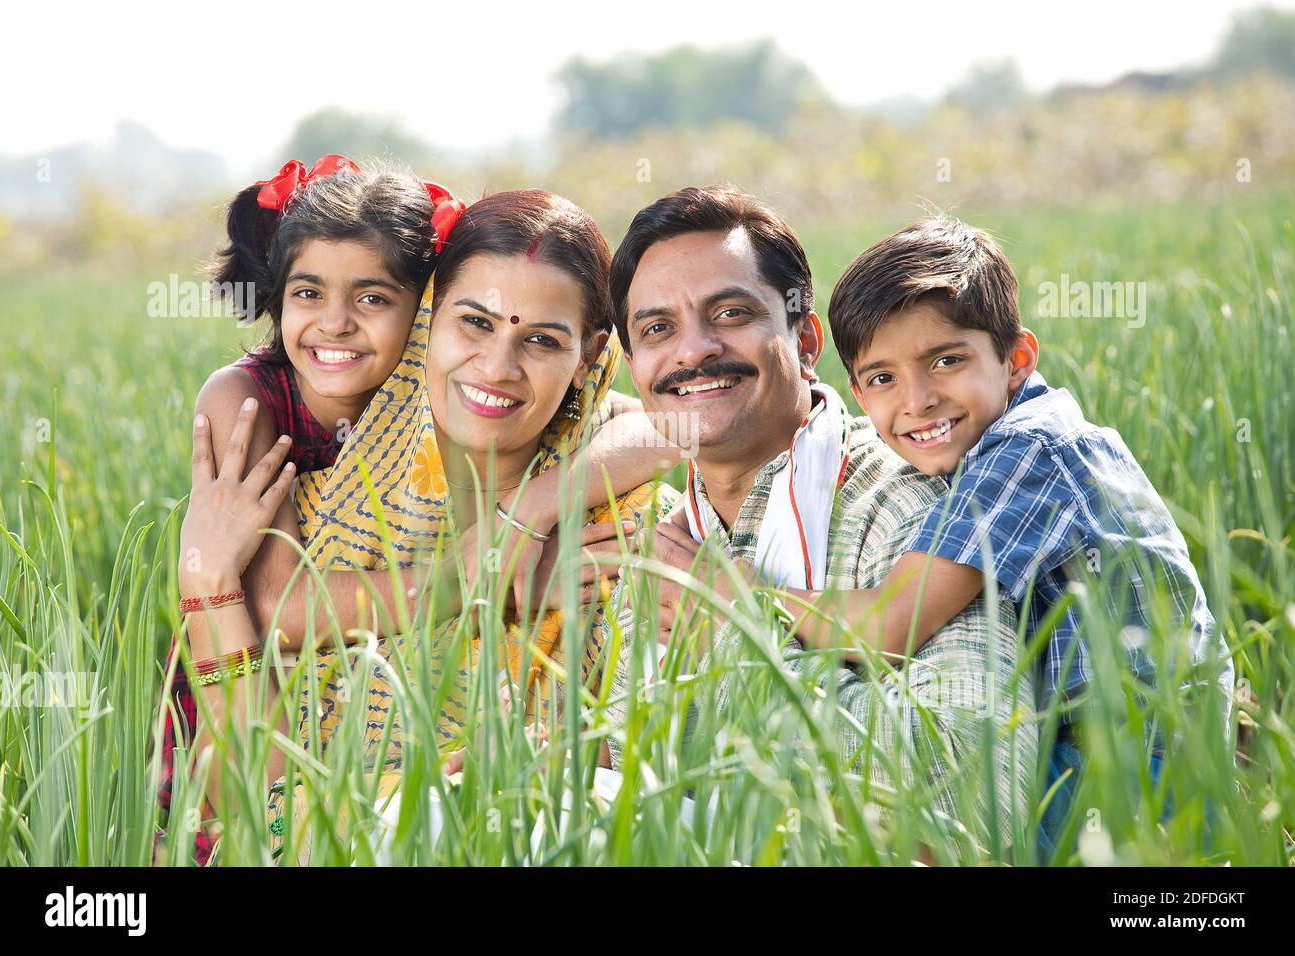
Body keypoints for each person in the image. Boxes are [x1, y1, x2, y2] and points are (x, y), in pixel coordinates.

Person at [162, 176, 679, 864]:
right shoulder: (281, 482)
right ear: (431, 324)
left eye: (543, 341)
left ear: (590, 357)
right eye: (475, 322)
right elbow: (259, 794)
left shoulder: (626, 520)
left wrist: (525, 513)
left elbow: (682, 425)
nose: (497, 366)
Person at [601, 186, 1035, 854]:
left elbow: (972, 802)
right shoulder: (665, 534)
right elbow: (628, 753)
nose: (692, 351)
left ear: (805, 342)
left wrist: (735, 634)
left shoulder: (918, 504)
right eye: (658, 329)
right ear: (634, 369)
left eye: (731, 312)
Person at [820, 216, 1233, 856]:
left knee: (921, 834)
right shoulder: (1005, 441)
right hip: (1121, 750)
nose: (918, 399)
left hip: (1135, 771)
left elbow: (889, 626)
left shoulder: (1027, 450)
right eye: (883, 379)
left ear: (1016, 360)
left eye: (946, 361)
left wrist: (741, 596)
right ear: (857, 391)